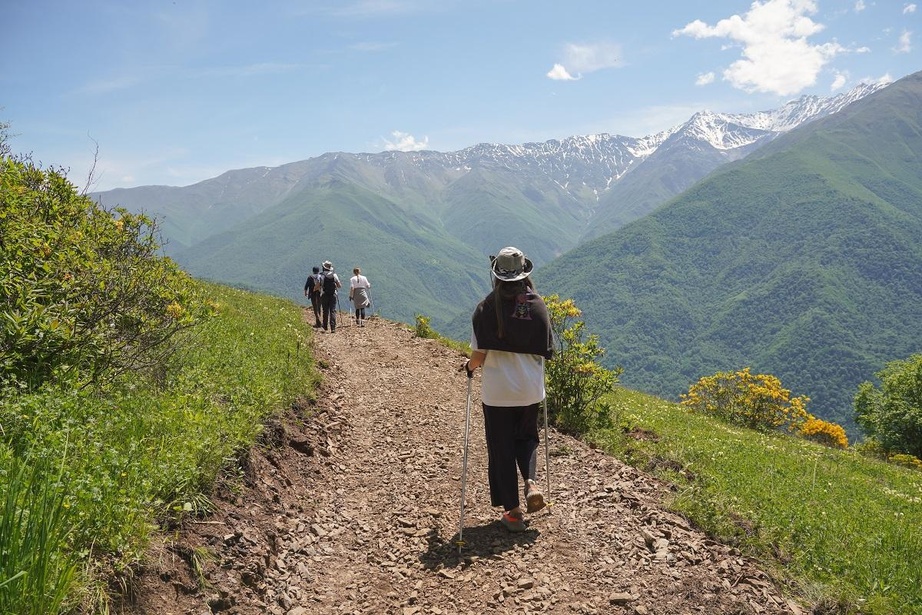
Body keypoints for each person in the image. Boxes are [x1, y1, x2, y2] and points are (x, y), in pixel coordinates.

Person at [462, 246, 554, 532]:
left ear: (497, 275)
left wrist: (468, 367)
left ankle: (513, 514)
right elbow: (544, 350)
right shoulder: (537, 306)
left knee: (501, 448)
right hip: (529, 390)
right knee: (527, 439)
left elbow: (479, 357)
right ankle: (531, 482)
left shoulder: (485, 308)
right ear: (524, 272)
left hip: (498, 393)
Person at [318, 260, 342, 332]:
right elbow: (339, 285)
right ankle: (333, 327)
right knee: (333, 310)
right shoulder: (334, 275)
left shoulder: (321, 275)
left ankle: (325, 326)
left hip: (324, 294)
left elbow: (318, 285)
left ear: (323, 267)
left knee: (325, 310)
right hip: (333, 294)